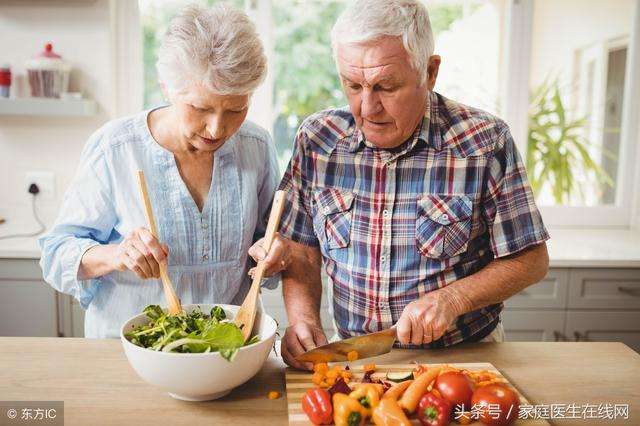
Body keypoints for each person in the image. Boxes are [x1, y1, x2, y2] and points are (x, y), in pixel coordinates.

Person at [274, 0, 550, 369]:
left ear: (430, 71)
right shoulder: (317, 140)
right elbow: (301, 249)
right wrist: (304, 320)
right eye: (352, 85)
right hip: (355, 355)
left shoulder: (484, 142)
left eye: (386, 86)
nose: (367, 108)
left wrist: (452, 300)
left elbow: (530, 258)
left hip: (464, 357)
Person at [39, 4, 288, 338]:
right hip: (127, 350)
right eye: (200, 107)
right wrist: (117, 255)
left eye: (236, 109)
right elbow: (56, 254)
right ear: (166, 88)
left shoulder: (255, 146)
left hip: (228, 349)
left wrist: (274, 253)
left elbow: (268, 240)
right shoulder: (116, 148)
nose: (217, 128)